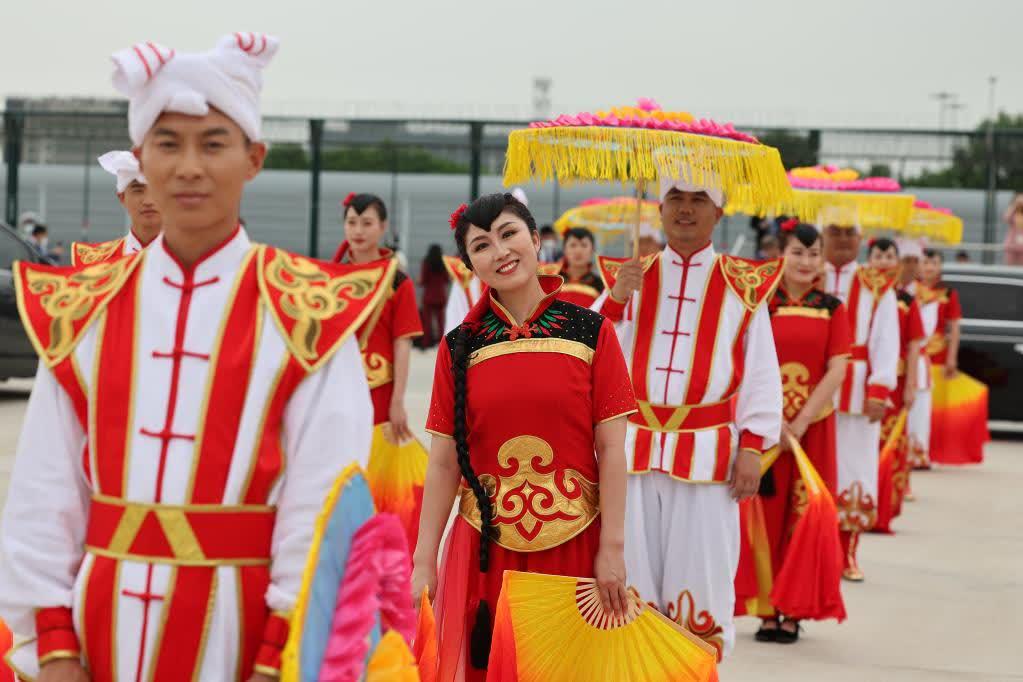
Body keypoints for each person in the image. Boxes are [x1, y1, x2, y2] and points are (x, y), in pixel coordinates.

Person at [0, 33, 389, 681]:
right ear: (140, 159)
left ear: (254, 158)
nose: (188, 167)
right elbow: (44, 495)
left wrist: (278, 661)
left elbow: (323, 511)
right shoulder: (83, 308)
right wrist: (56, 654)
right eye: (167, 144)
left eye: (212, 144)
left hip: (246, 644)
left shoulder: (308, 312)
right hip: (96, 640)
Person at [413, 192, 635, 680]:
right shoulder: (458, 347)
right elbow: (444, 463)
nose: (500, 251)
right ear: (470, 263)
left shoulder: (592, 332)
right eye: (481, 245)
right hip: (484, 549)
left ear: (536, 240)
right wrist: (423, 558)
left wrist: (613, 547)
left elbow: (613, 449)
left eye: (509, 234)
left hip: (575, 542)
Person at [597, 177, 783, 660]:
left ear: (718, 213)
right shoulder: (628, 275)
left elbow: (762, 370)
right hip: (632, 451)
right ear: (659, 208)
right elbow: (589, 353)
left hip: (708, 455)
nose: (685, 209)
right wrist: (616, 300)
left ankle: (694, 667)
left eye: (698, 200)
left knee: (703, 572)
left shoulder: (744, 284)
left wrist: (753, 446)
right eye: (675, 199)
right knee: (628, 572)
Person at [754, 221, 850, 643]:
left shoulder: (832, 307)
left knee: (804, 514)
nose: (806, 262)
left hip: (813, 430)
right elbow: (747, 363)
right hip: (767, 428)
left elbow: (838, 368)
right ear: (780, 254)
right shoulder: (762, 303)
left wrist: (801, 421)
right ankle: (766, 608)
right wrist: (773, 418)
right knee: (766, 516)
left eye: (814, 254)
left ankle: (793, 609)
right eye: (797, 252)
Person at [332, 192, 426, 546]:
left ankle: (377, 548)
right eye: (352, 222)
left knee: (377, 475)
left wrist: (398, 400)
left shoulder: (397, 282)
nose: (358, 230)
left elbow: (402, 342)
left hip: (381, 393)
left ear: (383, 227)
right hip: (337, 391)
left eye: (367, 223)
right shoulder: (330, 278)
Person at [821, 217, 899, 582]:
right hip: (809, 393)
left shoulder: (876, 284)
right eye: (834, 231)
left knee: (855, 472)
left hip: (857, 394)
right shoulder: (806, 274)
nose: (842, 239)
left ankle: (847, 553)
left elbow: (887, 338)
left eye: (849, 232)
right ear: (822, 234)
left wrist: (880, 389)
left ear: (861, 237)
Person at [866, 238, 924, 533]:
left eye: (890, 256)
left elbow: (913, 346)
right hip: (860, 382)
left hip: (895, 384)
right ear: (869, 260)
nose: (884, 262)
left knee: (890, 445)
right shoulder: (860, 293)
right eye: (878, 256)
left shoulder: (905, 300)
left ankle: (883, 509)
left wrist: (911, 384)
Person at [71, 150, 162, 266]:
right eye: (138, 190)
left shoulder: (185, 257)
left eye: (156, 189)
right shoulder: (93, 260)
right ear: (122, 197)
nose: (148, 201)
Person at [557, 226, 605, 307]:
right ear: (564, 249)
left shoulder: (601, 285)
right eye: (573, 245)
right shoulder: (554, 280)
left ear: (592, 250)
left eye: (584, 245)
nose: (578, 251)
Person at [419, 243, 449, 348]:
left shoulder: (426, 262)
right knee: (441, 322)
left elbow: (423, 280)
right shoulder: (444, 263)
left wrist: (418, 282)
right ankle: (442, 343)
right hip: (440, 295)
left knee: (427, 322)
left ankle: (426, 343)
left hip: (429, 296)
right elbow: (446, 279)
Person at [1002, 192, 1023, 265]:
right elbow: (1006, 217)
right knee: (1010, 267)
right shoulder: (1013, 213)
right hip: (1011, 246)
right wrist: (1015, 204)